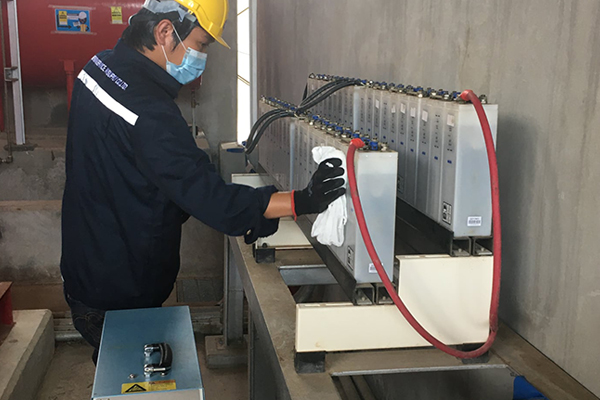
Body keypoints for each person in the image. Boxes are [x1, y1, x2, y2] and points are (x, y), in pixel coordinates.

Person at [60, 0, 345, 364]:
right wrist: (301, 201)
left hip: (87, 266)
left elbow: (131, 168)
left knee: (118, 369)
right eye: (201, 44)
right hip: (120, 289)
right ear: (165, 31)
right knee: (129, 376)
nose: (202, 57)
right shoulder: (150, 113)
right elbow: (214, 201)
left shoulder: (98, 66)